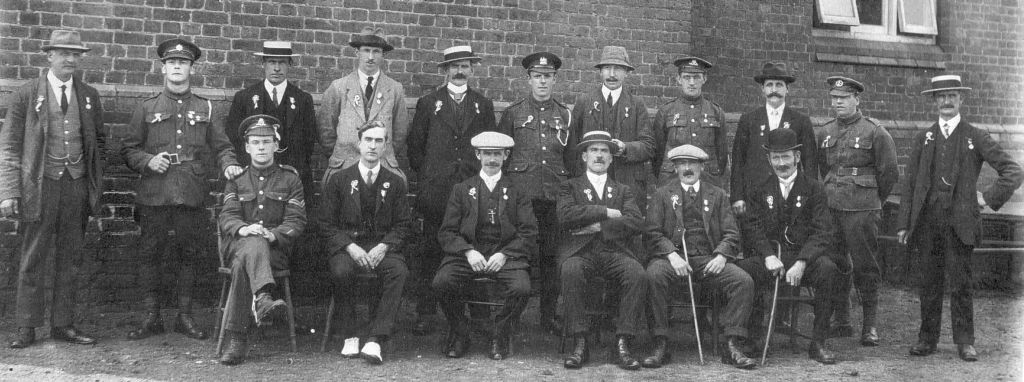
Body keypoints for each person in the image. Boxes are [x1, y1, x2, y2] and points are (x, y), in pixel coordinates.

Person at [121, 38, 241, 341]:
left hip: (190, 191)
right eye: (172, 62)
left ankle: (185, 316)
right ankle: (152, 317)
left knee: (190, 252)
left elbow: (222, 147)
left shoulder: (205, 107)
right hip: (154, 192)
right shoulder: (147, 107)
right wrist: (148, 161)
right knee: (151, 253)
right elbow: (128, 150)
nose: (177, 67)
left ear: (191, 68)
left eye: (183, 62)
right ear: (163, 68)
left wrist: (228, 165)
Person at [897, 75, 1022, 362]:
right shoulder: (924, 137)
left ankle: (965, 341)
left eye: (952, 95)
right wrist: (905, 223)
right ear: (934, 101)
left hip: (960, 224)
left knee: (961, 283)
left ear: (961, 99)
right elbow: (911, 183)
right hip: (928, 222)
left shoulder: (975, 136)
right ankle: (926, 339)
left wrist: (987, 198)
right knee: (928, 282)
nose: (947, 101)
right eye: (941, 96)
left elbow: (1013, 171)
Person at [1, 29, 104, 348]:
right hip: (40, 185)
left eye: (76, 54)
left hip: (75, 186)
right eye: (64, 53)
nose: (70, 59)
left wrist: (93, 186)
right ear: (49, 56)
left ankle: (63, 324)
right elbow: (9, 146)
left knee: (71, 257)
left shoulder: (88, 96)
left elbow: (98, 143)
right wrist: (8, 191)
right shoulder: (27, 93)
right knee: (34, 255)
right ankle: (27, 326)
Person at [407, 45, 497, 335]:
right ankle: (426, 312)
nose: (460, 71)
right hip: (437, 192)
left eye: (465, 66)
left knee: (476, 244)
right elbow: (415, 149)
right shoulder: (428, 102)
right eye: (454, 66)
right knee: (431, 248)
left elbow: (490, 146)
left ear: (472, 70)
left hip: (472, 191)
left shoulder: (482, 105)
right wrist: (434, 176)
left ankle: (479, 311)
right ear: (445, 71)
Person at [643, 144, 757, 369]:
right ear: (675, 168)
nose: (687, 168)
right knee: (653, 275)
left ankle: (732, 344)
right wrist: (671, 254)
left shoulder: (718, 194)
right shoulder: (662, 194)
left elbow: (732, 233)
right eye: (682, 163)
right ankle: (660, 343)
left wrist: (722, 256)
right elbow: (652, 232)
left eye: (692, 163)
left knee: (743, 281)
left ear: (702, 167)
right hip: (673, 258)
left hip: (708, 258)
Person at [738, 128, 843, 364]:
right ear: (768, 159)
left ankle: (818, 343)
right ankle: (754, 338)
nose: (781, 163)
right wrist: (766, 256)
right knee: (744, 271)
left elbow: (823, 231)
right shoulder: (760, 189)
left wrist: (803, 262)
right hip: (773, 258)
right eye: (775, 157)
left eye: (786, 157)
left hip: (804, 258)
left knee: (828, 270)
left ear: (797, 157)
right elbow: (752, 227)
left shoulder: (814, 189)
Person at [432, 131, 537, 360]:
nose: (492, 159)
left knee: (521, 288)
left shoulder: (517, 190)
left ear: (506, 156)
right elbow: (447, 232)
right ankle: (461, 332)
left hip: (505, 254)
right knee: (442, 282)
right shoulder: (462, 189)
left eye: (497, 154)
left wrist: (505, 255)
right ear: (478, 155)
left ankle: (498, 333)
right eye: (487, 154)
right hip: (469, 254)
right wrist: (468, 251)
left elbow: (529, 232)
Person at [217, 115, 307, 365]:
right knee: (251, 243)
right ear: (246, 147)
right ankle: (263, 299)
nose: (261, 147)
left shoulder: (290, 179)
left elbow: (296, 221)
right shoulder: (236, 180)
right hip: (238, 244)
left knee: (243, 263)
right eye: (255, 142)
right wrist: (244, 229)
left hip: (274, 250)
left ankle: (237, 340)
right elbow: (227, 216)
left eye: (266, 142)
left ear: (276, 145)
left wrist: (272, 234)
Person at [319, 121, 411, 365]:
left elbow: (403, 225)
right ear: (359, 144)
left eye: (378, 141)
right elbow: (326, 224)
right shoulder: (339, 180)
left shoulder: (396, 182)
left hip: (382, 246)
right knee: (341, 270)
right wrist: (350, 246)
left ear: (385, 146)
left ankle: (375, 338)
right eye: (368, 140)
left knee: (398, 271)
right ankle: (349, 334)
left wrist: (384, 246)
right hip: (349, 246)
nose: (372, 145)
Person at [816, 76, 898, 346]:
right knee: (837, 263)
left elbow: (889, 174)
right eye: (834, 98)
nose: (838, 102)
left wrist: (873, 200)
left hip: (862, 210)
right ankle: (842, 319)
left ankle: (870, 325)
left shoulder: (875, 131)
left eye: (844, 98)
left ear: (856, 99)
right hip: (832, 209)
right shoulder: (825, 131)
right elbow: (822, 170)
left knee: (865, 266)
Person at [498, 52, 575, 334]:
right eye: (537, 76)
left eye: (548, 76)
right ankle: (514, 316)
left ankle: (547, 316)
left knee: (552, 258)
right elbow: (502, 159)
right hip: (522, 199)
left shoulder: (565, 114)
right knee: (520, 256)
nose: (542, 81)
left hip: (554, 198)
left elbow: (572, 159)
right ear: (528, 79)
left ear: (555, 79)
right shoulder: (513, 113)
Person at [558, 131, 647, 371]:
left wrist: (598, 226)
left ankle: (623, 341)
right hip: (581, 251)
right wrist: (606, 212)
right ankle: (580, 341)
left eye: (604, 151)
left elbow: (636, 221)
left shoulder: (622, 190)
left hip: (614, 251)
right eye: (594, 150)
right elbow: (565, 216)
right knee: (570, 269)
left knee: (637, 273)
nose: (599, 155)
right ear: (584, 156)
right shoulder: (570, 186)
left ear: (611, 158)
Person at [225, 41, 318, 200]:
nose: (276, 68)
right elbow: (234, 137)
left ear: (289, 64)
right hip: (254, 178)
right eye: (272, 62)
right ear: (263, 64)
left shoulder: (303, 100)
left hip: (292, 178)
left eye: (282, 62)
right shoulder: (245, 98)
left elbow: (308, 143)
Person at [318, 26, 408, 185]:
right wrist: (342, 155)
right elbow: (326, 130)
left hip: (381, 166)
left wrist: (379, 153)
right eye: (366, 50)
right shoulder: (338, 87)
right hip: (344, 166)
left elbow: (400, 133)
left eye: (376, 51)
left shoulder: (394, 89)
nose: (371, 57)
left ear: (383, 55)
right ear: (357, 53)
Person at [570, 45, 654, 212]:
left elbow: (649, 146)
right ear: (600, 72)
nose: (612, 74)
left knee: (625, 230)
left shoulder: (637, 105)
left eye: (618, 69)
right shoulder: (584, 102)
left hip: (627, 183)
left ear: (627, 73)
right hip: (591, 183)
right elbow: (573, 145)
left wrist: (626, 148)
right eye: (607, 68)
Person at [730, 62, 817, 216]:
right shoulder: (749, 120)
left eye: (779, 85)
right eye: (769, 85)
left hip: (790, 194)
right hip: (754, 195)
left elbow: (809, 162)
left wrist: (808, 196)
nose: (774, 90)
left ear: (787, 89)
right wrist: (738, 196)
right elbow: (738, 161)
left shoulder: (800, 120)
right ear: (762, 89)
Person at [651, 56, 728, 186]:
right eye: (687, 77)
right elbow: (657, 154)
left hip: (707, 181)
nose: (692, 82)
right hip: (672, 181)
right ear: (679, 79)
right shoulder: (666, 111)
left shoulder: (716, 112)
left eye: (696, 77)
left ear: (704, 79)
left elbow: (722, 155)